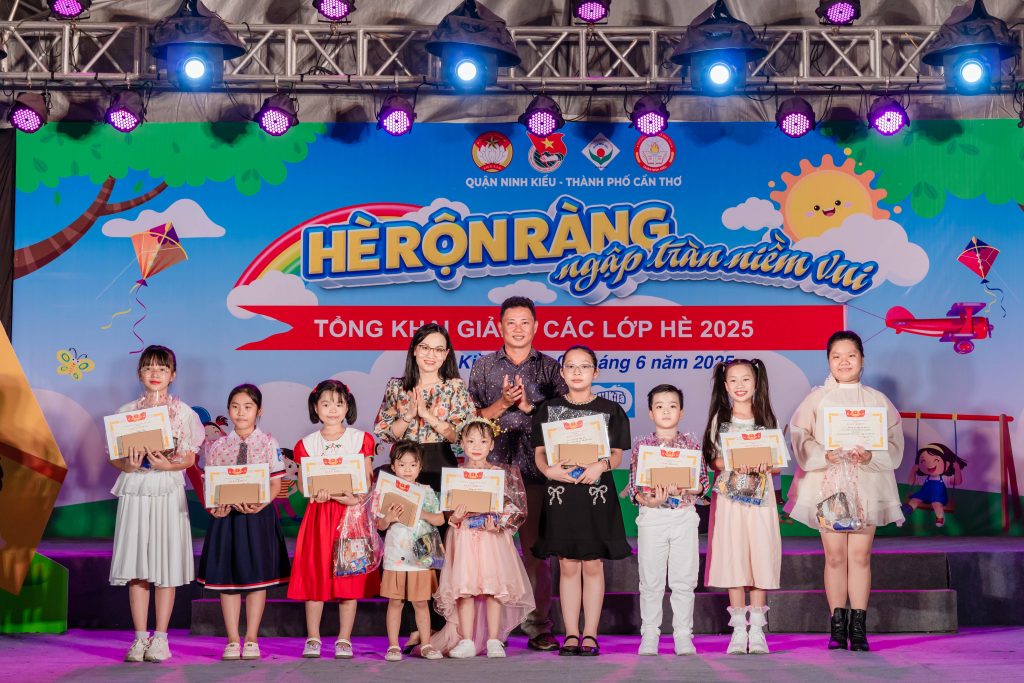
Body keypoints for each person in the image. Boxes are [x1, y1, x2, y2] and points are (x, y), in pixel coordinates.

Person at [785, 331, 904, 652]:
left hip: (867, 485)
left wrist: (870, 456)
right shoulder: (817, 399)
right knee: (835, 556)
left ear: (862, 359)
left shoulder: (878, 401)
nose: (844, 362)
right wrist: (824, 454)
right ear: (828, 361)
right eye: (836, 356)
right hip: (830, 486)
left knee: (860, 556)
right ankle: (837, 628)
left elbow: (894, 444)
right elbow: (799, 435)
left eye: (851, 355)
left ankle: (859, 628)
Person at [468, 295, 568, 651]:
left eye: (525, 322)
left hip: (536, 471)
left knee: (536, 553)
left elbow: (564, 419)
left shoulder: (551, 369)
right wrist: (503, 404)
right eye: (511, 322)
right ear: (499, 326)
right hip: (491, 471)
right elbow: (469, 419)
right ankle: (492, 629)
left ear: (536, 326)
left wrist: (528, 406)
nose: (518, 329)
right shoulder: (483, 367)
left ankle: (538, 625)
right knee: (487, 551)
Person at [374, 323, 475, 651]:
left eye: (439, 349)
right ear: (415, 350)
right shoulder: (397, 386)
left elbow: (462, 434)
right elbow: (384, 431)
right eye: (426, 347)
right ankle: (412, 629)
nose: (431, 354)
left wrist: (428, 416)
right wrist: (408, 416)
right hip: (403, 470)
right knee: (402, 544)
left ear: (446, 354)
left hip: (440, 468)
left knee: (436, 549)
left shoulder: (454, 387)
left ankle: (438, 627)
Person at [532, 345, 631, 657]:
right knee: (567, 566)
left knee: (592, 565)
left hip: (595, 494)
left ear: (595, 372)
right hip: (562, 495)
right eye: (571, 366)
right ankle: (571, 633)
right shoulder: (548, 410)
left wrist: (600, 466)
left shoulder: (611, 410)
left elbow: (617, 454)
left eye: (584, 366)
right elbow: (539, 452)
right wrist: (548, 470)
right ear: (562, 372)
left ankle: (591, 634)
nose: (577, 372)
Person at [109, 345, 204, 663]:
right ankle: (139, 638)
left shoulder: (184, 414)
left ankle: (161, 639)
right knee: (137, 565)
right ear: (139, 373)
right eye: (149, 367)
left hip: (166, 489)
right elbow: (116, 458)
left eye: (162, 369)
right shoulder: (126, 412)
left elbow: (189, 457)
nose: (155, 374)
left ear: (172, 375)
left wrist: (168, 465)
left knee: (165, 564)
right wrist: (129, 464)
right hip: (136, 488)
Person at [196, 384, 291, 661]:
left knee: (256, 580)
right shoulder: (217, 446)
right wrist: (215, 508)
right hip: (227, 518)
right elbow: (210, 485)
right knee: (227, 579)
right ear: (228, 410)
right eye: (235, 407)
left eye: (248, 407)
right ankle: (232, 639)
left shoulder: (269, 443)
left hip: (258, 517)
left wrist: (262, 503)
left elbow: (275, 483)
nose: (241, 412)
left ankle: (251, 638)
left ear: (259, 411)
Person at [288, 380, 378, 659]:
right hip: (319, 517)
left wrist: (353, 497)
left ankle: (344, 638)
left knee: (348, 577)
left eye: (339, 404)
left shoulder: (360, 439)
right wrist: (318, 491)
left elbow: (366, 480)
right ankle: (313, 638)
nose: (333, 410)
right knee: (315, 576)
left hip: (350, 516)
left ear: (348, 407)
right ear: (315, 408)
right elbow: (303, 485)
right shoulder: (306, 444)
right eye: (326, 404)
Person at [430, 417, 534, 658]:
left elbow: (513, 508)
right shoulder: (455, 476)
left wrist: (499, 522)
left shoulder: (500, 475)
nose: (476, 446)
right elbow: (448, 512)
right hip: (464, 536)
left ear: (491, 444)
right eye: (471, 441)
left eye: (483, 441)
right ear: (462, 444)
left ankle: (494, 640)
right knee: (464, 588)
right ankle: (466, 640)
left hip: (491, 538)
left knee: (492, 587)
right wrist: (455, 516)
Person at [702, 359, 781, 655]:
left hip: (761, 499)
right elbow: (713, 461)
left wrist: (762, 463)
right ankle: (738, 630)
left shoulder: (766, 418)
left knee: (760, 556)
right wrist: (735, 461)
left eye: (745, 379)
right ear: (725, 386)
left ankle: (757, 630)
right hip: (731, 499)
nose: (739, 385)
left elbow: (776, 465)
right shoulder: (720, 420)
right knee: (733, 556)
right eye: (733, 380)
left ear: (756, 382)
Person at [628, 384, 709, 657]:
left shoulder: (691, 444)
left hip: (683, 516)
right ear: (650, 413)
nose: (666, 411)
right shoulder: (642, 446)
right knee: (650, 581)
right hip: (652, 517)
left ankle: (683, 635)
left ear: (681, 412)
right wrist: (649, 500)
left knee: (683, 580)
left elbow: (702, 484)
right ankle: (650, 634)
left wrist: (684, 486)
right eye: (659, 406)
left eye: (672, 406)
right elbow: (635, 488)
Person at [376, 441, 446, 662]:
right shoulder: (386, 491)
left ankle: (426, 644)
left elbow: (440, 519)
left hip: (421, 555)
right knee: (395, 602)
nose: (407, 469)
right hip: (396, 554)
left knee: (421, 602)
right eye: (402, 464)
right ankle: (393, 645)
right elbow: (379, 525)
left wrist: (421, 513)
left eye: (413, 465)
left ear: (420, 467)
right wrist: (389, 518)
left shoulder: (426, 491)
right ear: (393, 467)